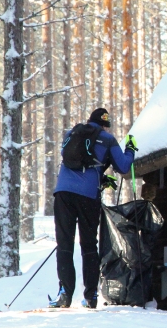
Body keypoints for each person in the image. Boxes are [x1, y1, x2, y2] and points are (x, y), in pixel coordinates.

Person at [50, 108, 137, 308]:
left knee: (64, 244)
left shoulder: (71, 134)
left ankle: (64, 293)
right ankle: (91, 296)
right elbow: (123, 166)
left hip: (63, 192)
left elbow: (76, 163)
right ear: (105, 124)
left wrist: (102, 176)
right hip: (88, 196)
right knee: (89, 245)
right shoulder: (107, 139)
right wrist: (131, 149)